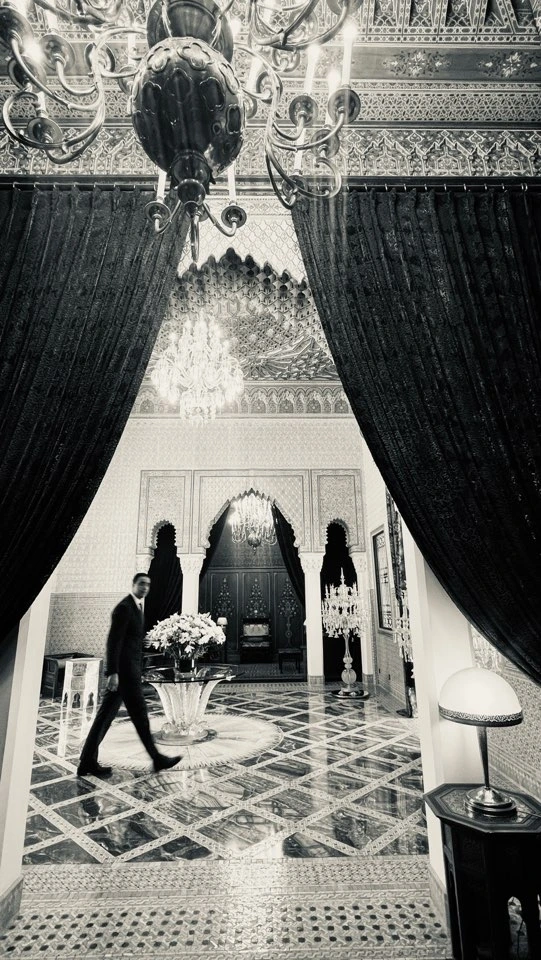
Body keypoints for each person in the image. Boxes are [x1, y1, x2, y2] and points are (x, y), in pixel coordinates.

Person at [77, 573, 181, 777]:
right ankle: (157, 759)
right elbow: (113, 642)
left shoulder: (136, 608)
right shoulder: (124, 608)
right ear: (133, 584)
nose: (145, 588)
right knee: (138, 717)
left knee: (105, 718)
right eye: (141, 584)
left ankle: (86, 762)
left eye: (148, 585)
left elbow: (128, 640)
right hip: (124, 675)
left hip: (129, 673)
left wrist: (142, 644)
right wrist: (112, 672)